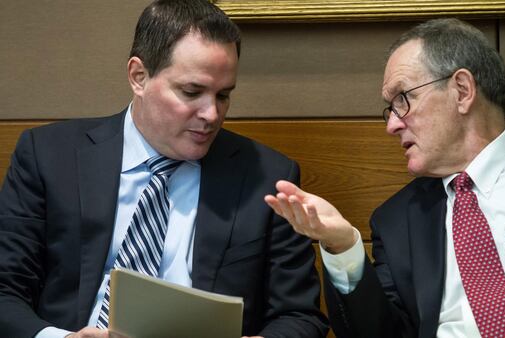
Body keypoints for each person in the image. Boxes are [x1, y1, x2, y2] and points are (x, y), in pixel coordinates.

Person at [0, 1, 328, 337]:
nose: (212, 115)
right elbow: (4, 291)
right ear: (138, 77)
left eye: (223, 95)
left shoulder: (268, 178)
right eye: (191, 92)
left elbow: (301, 317)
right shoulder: (49, 156)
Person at [265, 18, 505, 338]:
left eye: (403, 99)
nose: (391, 125)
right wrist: (342, 247)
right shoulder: (396, 222)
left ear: (462, 90)